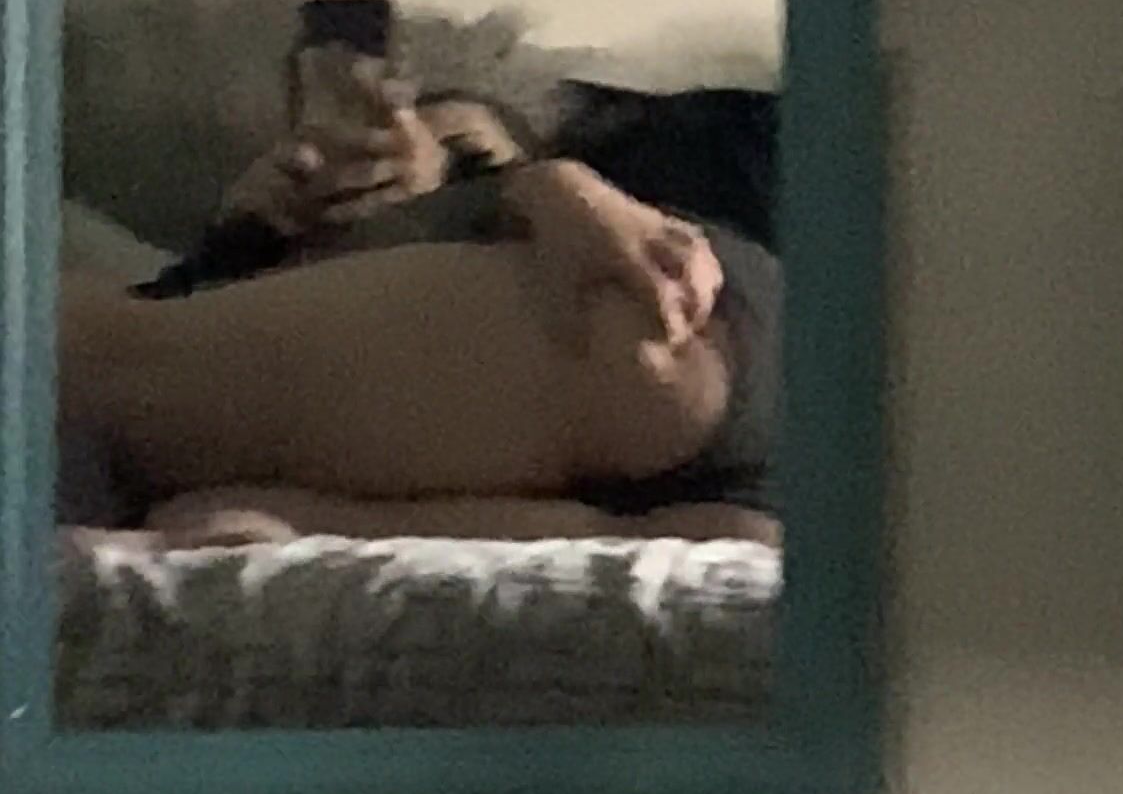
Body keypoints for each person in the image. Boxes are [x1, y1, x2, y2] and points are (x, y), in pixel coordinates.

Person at [58, 91, 781, 551]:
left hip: (685, 307)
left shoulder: (593, 208)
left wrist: (548, 183)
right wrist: (244, 225)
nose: (383, 162)